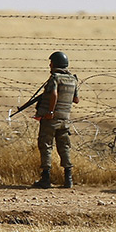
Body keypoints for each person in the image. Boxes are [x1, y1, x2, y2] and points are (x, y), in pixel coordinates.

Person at [32, 51, 80, 189]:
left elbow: (54, 94)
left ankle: (45, 178)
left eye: (51, 62)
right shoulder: (73, 79)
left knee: (46, 145)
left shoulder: (55, 78)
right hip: (65, 119)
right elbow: (76, 100)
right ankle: (68, 179)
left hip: (51, 119)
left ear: (55, 64)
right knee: (64, 147)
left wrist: (50, 111)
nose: (49, 65)